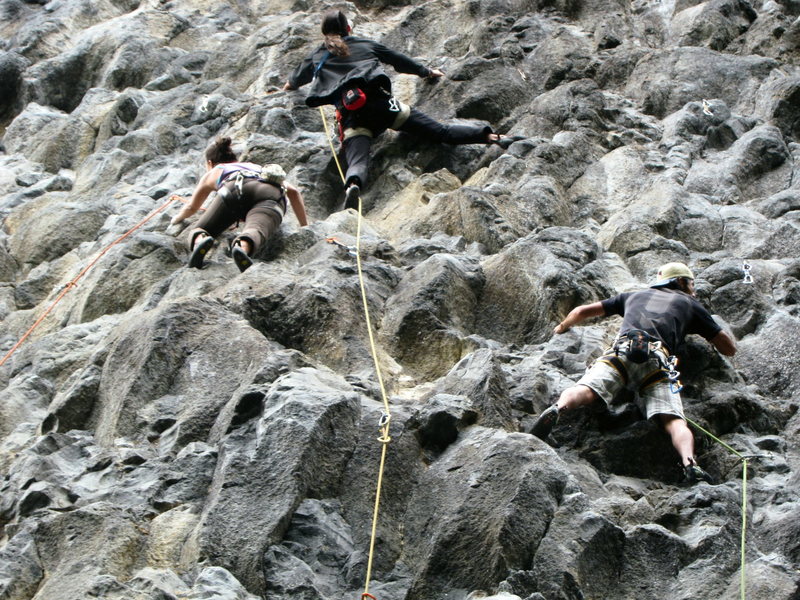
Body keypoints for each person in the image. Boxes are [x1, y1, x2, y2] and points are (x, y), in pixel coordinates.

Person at [283, 9, 523, 210]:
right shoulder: (365, 44)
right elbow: (399, 60)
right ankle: (492, 137)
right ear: (348, 29)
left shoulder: (317, 56)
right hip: (384, 105)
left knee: (358, 160)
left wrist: (287, 87)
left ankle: (353, 185)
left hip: (352, 114)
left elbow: (293, 81)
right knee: (440, 132)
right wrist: (426, 71)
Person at [529, 262, 737, 484]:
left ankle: (558, 408)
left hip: (622, 350)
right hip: (658, 360)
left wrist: (561, 327)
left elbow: (581, 311)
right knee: (674, 420)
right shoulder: (690, 304)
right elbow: (728, 347)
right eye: (691, 283)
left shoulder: (632, 296)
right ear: (679, 281)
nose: (693, 289)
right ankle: (690, 464)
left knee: (587, 389)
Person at [170, 136, 308, 271]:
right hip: (271, 195)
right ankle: (242, 247)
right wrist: (304, 227)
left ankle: (200, 241)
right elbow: (294, 192)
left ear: (210, 163)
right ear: (234, 159)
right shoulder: (255, 167)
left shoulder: (216, 171)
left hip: (234, 190)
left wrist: (177, 219)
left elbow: (191, 207)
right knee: (255, 230)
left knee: (201, 229)